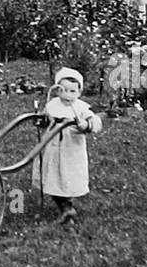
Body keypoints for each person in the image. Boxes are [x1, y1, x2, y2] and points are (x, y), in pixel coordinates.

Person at [40, 66, 103, 224]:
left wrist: (86, 125)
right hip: (53, 150)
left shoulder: (81, 108)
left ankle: (67, 207)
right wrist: (42, 120)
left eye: (72, 91)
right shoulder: (52, 105)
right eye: (63, 90)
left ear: (79, 92)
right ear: (56, 90)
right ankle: (65, 206)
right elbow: (45, 120)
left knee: (68, 178)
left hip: (71, 151)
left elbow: (95, 122)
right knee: (52, 178)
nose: (67, 95)